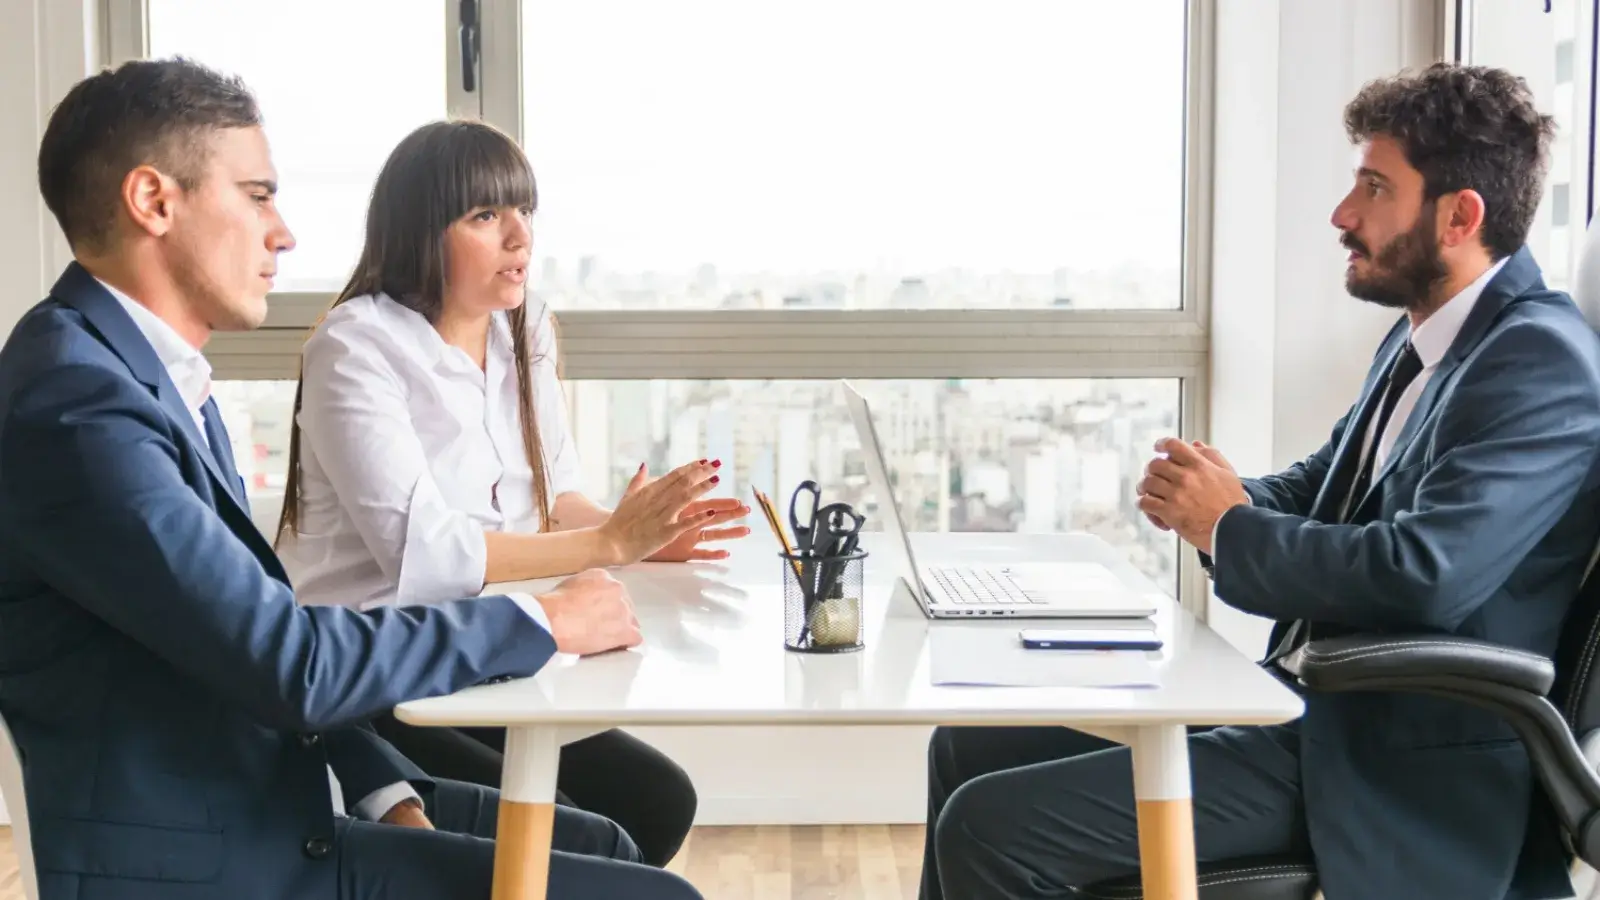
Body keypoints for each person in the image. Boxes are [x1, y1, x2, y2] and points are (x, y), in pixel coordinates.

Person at [0, 57, 706, 900]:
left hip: (293, 785)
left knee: (621, 845)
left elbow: (246, 645)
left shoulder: (146, 376)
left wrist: (385, 787)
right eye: (258, 195)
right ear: (154, 201)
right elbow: (289, 661)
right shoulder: (78, 406)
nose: (283, 232)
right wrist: (544, 619)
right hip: (223, 858)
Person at [920, 63, 1600, 900]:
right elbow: (1333, 484)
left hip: (1391, 763)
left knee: (990, 826)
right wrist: (1220, 493)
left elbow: (1428, 574)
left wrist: (1229, 528)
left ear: (1460, 217)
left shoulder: (1540, 364)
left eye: (1375, 189)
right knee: (965, 745)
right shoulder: (1431, 335)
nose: (1343, 215)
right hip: (1313, 709)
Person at [272, 118, 749, 868]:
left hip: (480, 653)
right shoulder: (356, 347)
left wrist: (641, 533)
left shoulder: (522, 331)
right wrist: (607, 543)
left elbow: (555, 501)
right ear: (420, 233)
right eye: (486, 216)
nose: (519, 237)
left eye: (524, 211)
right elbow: (425, 552)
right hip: (375, 672)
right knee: (587, 834)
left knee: (657, 798)